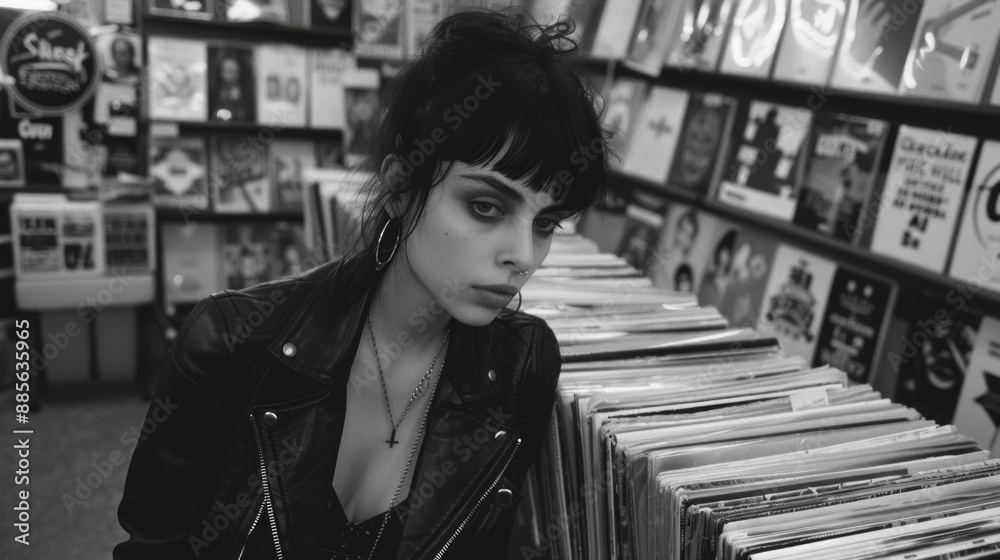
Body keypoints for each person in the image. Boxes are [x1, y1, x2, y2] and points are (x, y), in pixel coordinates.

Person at [114, 9, 608, 560]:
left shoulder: (523, 364)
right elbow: (153, 546)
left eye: (545, 224)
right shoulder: (234, 343)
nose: (523, 256)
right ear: (400, 187)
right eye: (486, 205)